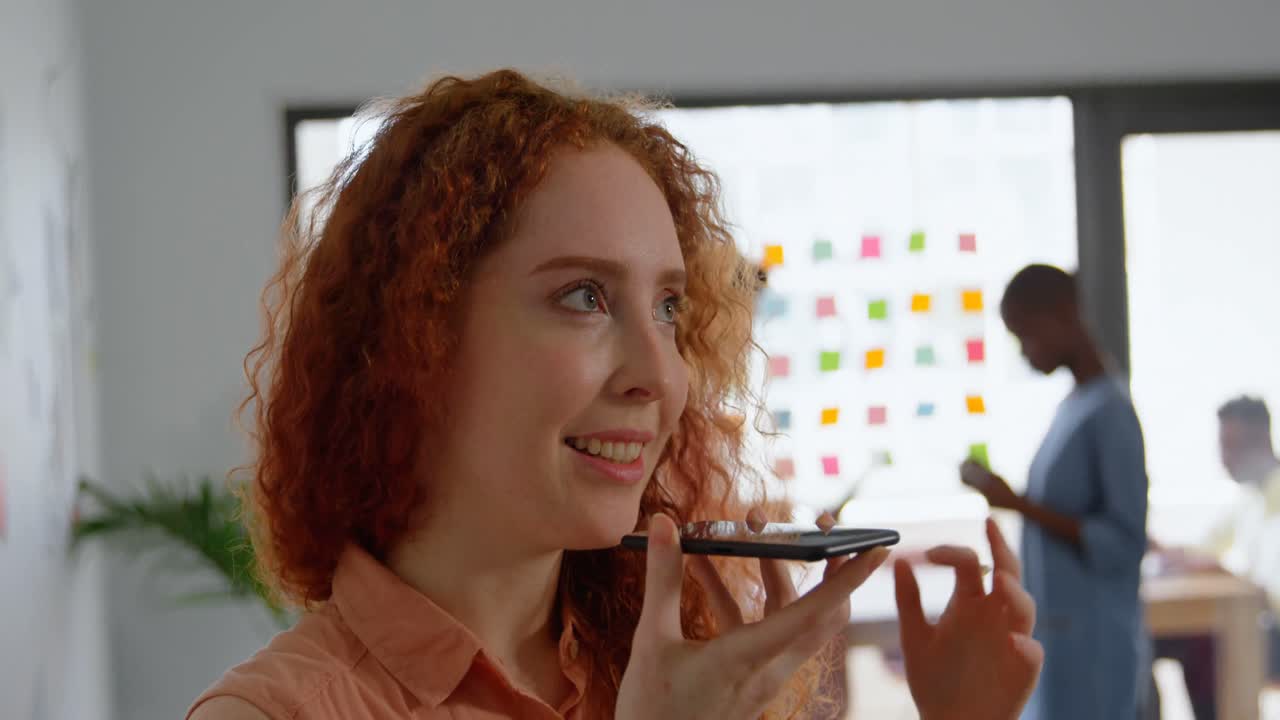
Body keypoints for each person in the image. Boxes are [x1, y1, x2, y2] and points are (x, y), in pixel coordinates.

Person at [188, 70, 1042, 720]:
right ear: (419, 337)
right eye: (585, 297)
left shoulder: (663, 671)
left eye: (669, 308)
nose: (662, 375)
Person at [960, 264, 1151, 720]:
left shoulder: (1112, 413)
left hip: (1095, 645)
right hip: (1061, 642)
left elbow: (1124, 543)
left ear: (1065, 314)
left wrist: (1016, 504)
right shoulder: (1074, 406)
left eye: (1028, 334)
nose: (1026, 352)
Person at [1153, 396, 1280, 719]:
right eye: (1222, 446)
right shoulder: (1249, 499)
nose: (1224, 459)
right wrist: (1164, 551)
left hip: (1270, 631)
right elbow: (1204, 550)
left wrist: (1228, 573)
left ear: (1262, 440)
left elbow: (1268, 590)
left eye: (1232, 446)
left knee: (1204, 647)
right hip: (1256, 624)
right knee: (1167, 643)